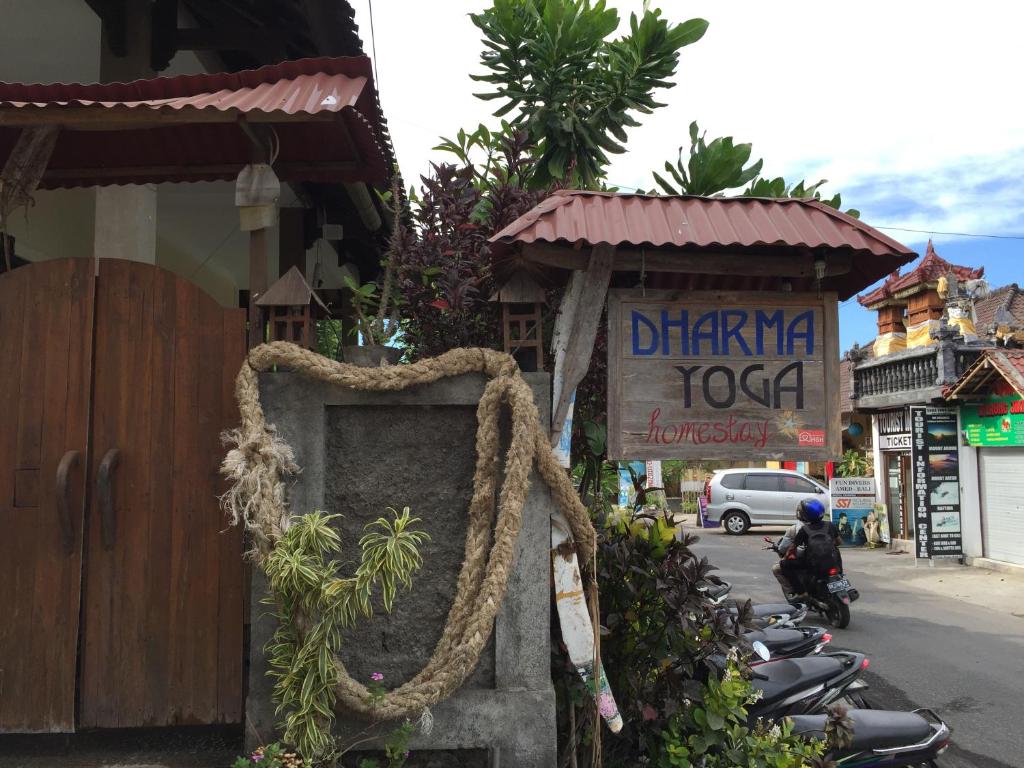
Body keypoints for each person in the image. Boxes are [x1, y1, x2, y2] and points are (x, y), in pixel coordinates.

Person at [779, 499, 843, 598]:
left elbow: (792, 548)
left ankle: (801, 592)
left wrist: (786, 557)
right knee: (836, 551)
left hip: (814, 565)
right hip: (834, 563)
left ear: (805, 515)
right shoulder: (829, 525)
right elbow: (839, 542)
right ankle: (841, 577)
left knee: (784, 564)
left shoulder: (804, 530)